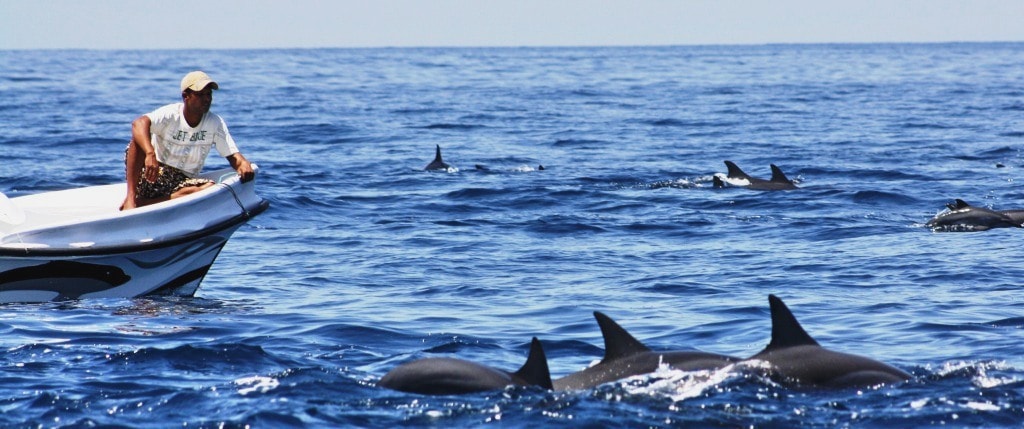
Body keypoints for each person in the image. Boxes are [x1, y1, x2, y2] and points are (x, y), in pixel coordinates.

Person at [121, 71, 255, 210]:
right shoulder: (171, 114)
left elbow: (233, 155)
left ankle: (144, 204)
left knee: (209, 188)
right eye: (200, 95)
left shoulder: (215, 122)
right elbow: (138, 123)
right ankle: (130, 198)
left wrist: (243, 164)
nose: (207, 99)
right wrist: (150, 154)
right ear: (186, 96)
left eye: (209, 94)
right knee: (136, 141)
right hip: (153, 172)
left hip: (181, 181)